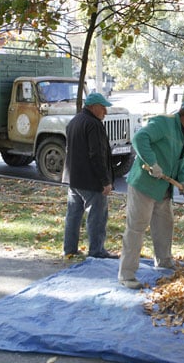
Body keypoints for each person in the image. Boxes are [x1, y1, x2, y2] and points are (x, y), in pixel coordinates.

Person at [118, 97, 184, 289]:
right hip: (144, 185)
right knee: (136, 228)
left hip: (164, 190)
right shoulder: (163, 123)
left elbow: (182, 163)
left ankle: (163, 261)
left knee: (164, 226)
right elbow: (139, 139)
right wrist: (152, 163)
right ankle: (126, 274)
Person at [61, 92, 118, 259]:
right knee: (97, 217)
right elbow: (97, 155)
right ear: (93, 107)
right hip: (91, 180)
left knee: (73, 215)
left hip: (73, 178)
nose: (105, 112)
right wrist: (105, 181)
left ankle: (69, 249)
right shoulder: (94, 124)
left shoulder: (74, 121)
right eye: (103, 108)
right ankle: (97, 251)